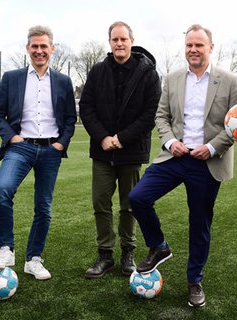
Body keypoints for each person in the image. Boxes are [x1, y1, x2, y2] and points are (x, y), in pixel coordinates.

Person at [128, 24, 237, 308]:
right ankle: (159, 246)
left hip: (207, 161)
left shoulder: (228, 80)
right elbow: (161, 117)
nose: (193, 50)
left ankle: (194, 281)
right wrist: (170, 143)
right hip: (175, 157)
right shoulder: (173, 78)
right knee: (138, 197)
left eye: (199, 45)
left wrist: (212, 146)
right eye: (190, 45)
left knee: (199, 223)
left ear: (210, 48)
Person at [0, 25, 77, 281]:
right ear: (28, 49)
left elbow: (70, 118)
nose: (39, 51)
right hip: (21, 146)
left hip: (51, 150)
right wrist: (12, 137)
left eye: (44, 46)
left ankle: (33, 259)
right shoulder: (12, 77)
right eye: (34, 46)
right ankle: (5, 249)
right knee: (3, 190)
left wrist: (61, 143)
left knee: (43, 206)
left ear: (52, 49)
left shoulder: (63, 81)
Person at [79, 21, 161, 279]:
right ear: (110, 42)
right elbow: (87, 107)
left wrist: (121, 138)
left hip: (131, 151)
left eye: (123, 39)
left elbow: (151, 114)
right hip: (102, 151)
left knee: (129, 205)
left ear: (131, 41)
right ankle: (105, 255)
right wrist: (103, 137)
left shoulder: (148, 73)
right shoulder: (98, 71)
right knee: (101, 203)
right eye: (115, 40)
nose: (119, 43)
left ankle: (128, 252)